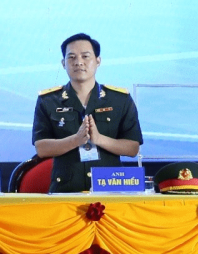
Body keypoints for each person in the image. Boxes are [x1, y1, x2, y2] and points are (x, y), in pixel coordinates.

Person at [31, 33, 142, 193]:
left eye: (85, 56)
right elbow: (42, 148)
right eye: (71, 57)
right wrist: (75, 140)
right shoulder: (48, 100)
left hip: (111, 188)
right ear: (63, 63)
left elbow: (132, 148)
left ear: (98, 61)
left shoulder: (120, 99)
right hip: (66, 190)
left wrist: (100, 139)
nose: (78, 62)